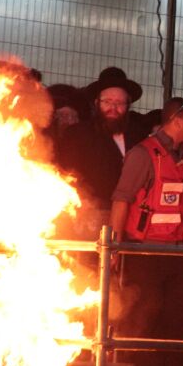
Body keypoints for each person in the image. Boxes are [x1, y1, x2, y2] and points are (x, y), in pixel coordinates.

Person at [110, 97, 183, 366]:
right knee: (147, 319)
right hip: (146, 254)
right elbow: (121, 199)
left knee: (179, 319)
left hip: (181, 254)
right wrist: (115, 245)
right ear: (176, 120)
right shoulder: (143, 155)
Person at [57, 67, 151, 241]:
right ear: (96, 102)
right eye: (107, 102)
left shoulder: (139, 135)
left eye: (119, 103)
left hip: (133, 216)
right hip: (91, 216)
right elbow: (67, 174)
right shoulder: (78, 134)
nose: (113, 108)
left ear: (128, 105)